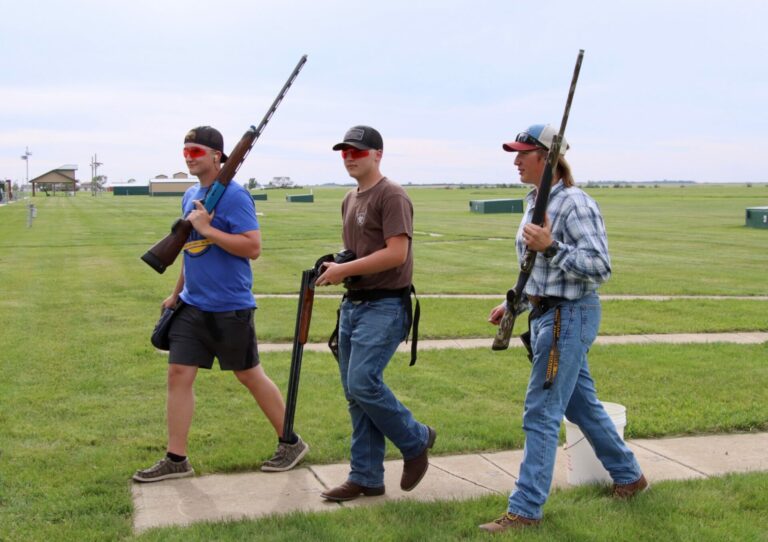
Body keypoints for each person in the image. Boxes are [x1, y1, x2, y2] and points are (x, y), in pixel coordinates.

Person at [481, 124, 647, 532]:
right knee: (580, 405)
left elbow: (599, 267)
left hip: (568, 317)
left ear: (548, 158)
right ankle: (630, 476)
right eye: (514, 153)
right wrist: (512, 304)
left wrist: (551, 246)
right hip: (545, 315)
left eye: (523, 153)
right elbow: (536, 270)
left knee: (540, 412)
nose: (516, 160)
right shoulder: (534, 202)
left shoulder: (574, 204)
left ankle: (525, 511)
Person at [133, 126, 308, 482]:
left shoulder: (235, 197)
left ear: (218, 156)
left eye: (196, 151)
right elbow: (188, 248)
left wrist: (209, 229)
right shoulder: (190, 195)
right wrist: (176, 292)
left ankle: (291, 442)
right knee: (178, 374)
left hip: (230, 305)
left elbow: (252, 247)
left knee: (249, 375)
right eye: (185, 150)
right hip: (192, 305)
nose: (188, 156)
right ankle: (176, 459)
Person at [314, 125, 435, 501]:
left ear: (378, 154)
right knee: (355, 393)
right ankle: (366, 477)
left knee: (364, 382)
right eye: (345, 151)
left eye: (358, 151)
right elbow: (362, 251)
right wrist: (337, 262)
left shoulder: (392, 195)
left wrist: (343, 270)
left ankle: (416, 440)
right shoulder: (350, 199)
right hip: (354, 304)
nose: (350, 157)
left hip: (385, 304)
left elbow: (396, 253)